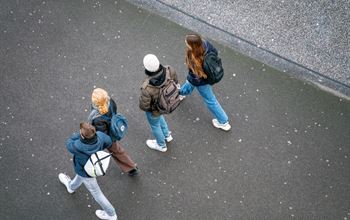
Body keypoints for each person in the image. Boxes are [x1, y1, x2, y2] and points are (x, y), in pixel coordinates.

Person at [58, 122, 117, 220]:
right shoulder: (100, 136)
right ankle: (71, 186)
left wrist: (79, 135)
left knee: (96, 193)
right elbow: (109, 142)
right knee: (80, 177)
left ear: (83, 136)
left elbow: (69, 142)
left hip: (85, 170)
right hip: (94, 166)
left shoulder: (77, 145)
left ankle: (111, 214)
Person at [180, 34, 231, 131]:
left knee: (210, 100)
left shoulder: (193, 58)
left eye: (187, 43)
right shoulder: (205, 44)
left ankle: (223, 122)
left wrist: (192, 79)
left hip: (202, 82)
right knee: (189, 84)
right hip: (208, 77)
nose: (185, 43)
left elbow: (194, 79)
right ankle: (181, 93)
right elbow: (215, 52)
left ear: (192, 46)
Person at [88, 88, 139, 176]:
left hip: (108, 138)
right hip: (113, 131)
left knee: (116, 151)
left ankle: (131, 167)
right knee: (118, 151)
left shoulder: (97, 118)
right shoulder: (110, 101)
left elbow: (102, 134)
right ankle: (131, 167)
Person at [139, 54, 178, 152]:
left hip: (155, 110)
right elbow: (176, 83)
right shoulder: (169, 70)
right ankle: (167, 135)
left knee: (155, 125)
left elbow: (144, 106)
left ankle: (161, 145)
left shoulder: (147, 87)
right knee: (160, 118)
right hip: (167, 104)